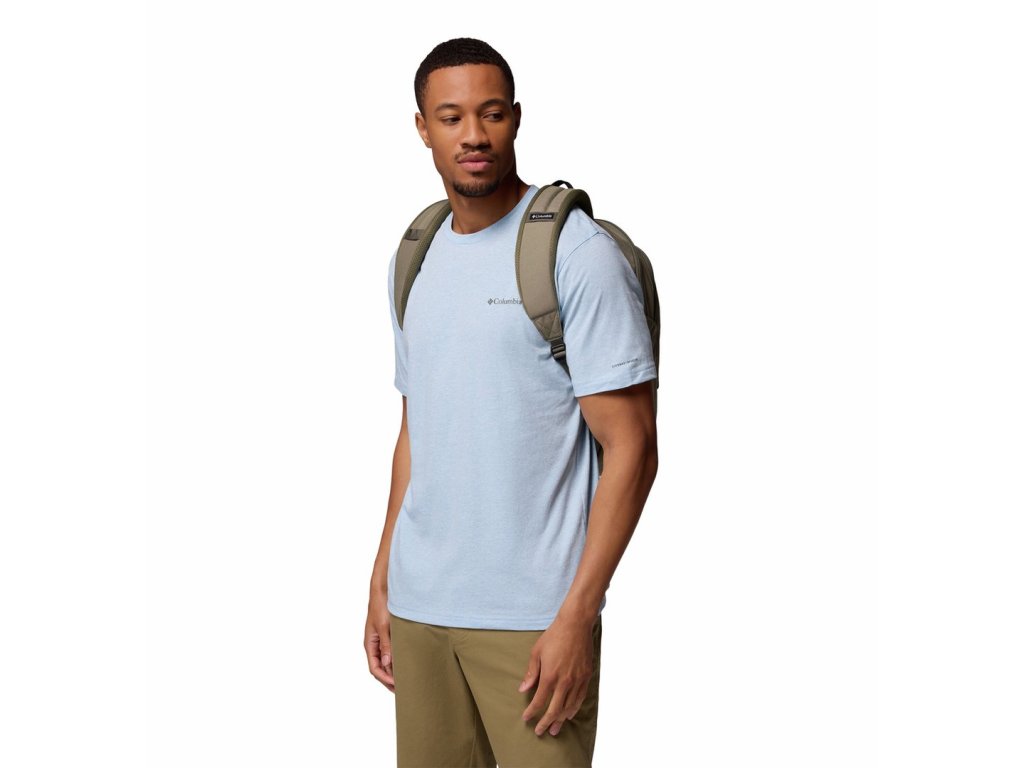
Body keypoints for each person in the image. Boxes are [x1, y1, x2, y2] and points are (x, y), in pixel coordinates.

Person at [364, 37, 659, 767]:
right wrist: (382, 578)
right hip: (422, 611)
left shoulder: (576, 253)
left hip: (533, 622)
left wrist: (578, 615)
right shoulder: (415, 255)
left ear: (516, 119)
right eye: (452, 117)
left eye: (491, 114)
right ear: (422, 127)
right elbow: (416, 430)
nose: (473, 135)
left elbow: (633, 446)